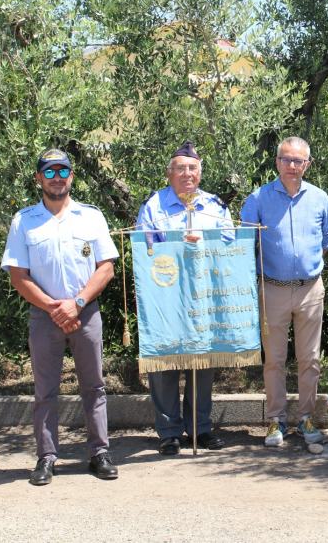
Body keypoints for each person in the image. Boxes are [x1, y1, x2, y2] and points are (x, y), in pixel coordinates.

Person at [1, 148, 119, 485]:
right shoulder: (24, 220)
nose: (57, 178)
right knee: (45, 390)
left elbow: (106, 267)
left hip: (85, 313)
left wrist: (77, 303)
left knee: (94, 386)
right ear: (39, 178)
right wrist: (55, 307)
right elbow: (18, 275)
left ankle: (99, 452)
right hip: (44, 316)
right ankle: (47, 458)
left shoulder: (91, 216)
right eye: (49, 172)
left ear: (72, 176)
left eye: (62, 171)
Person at [136, 141, 234, 455]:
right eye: (180, 168)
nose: (187, 174)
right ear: (169, 174)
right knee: (165, 363)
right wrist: (177, 243)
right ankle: (168, 432)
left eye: (192, 168)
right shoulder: (154, 206)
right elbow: (144, 244)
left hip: (203, 296)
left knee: (201, 363)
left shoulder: (215, 206)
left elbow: (231, 243)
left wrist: (204, 241)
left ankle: (199, 428)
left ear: (200, 172)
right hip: (165, 295)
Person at [240, 136, 328, 447]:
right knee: (274, 360)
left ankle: (307, 417)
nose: (292, 166)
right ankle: (275, 421)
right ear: (277, 162)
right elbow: (242, 246)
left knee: (309, 359)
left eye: (298, 161)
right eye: (286, 159)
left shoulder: (320, 199)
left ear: (307, 164)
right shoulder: (257, 199)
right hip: (272, 289)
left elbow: (325, 243)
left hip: (310, 289)